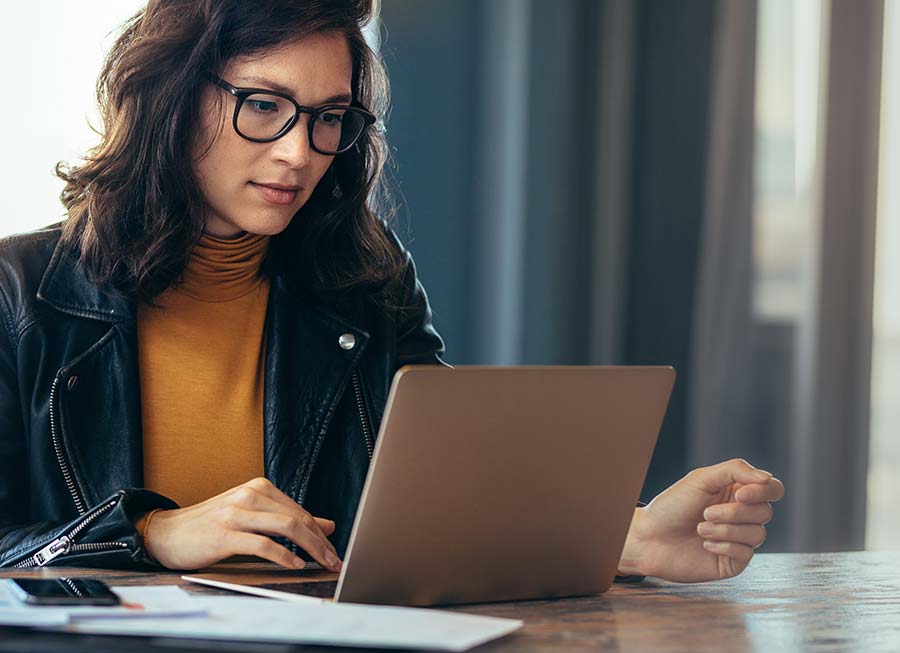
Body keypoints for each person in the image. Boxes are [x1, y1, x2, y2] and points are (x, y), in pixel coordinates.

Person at [0, 0, 783, 583]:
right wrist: (154, 532)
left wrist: (632, 535)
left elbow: (441, 502)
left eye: (328, 117)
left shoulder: (365, 281)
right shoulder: (20, 293)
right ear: (171, 98)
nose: (300, 152)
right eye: (264, 105)